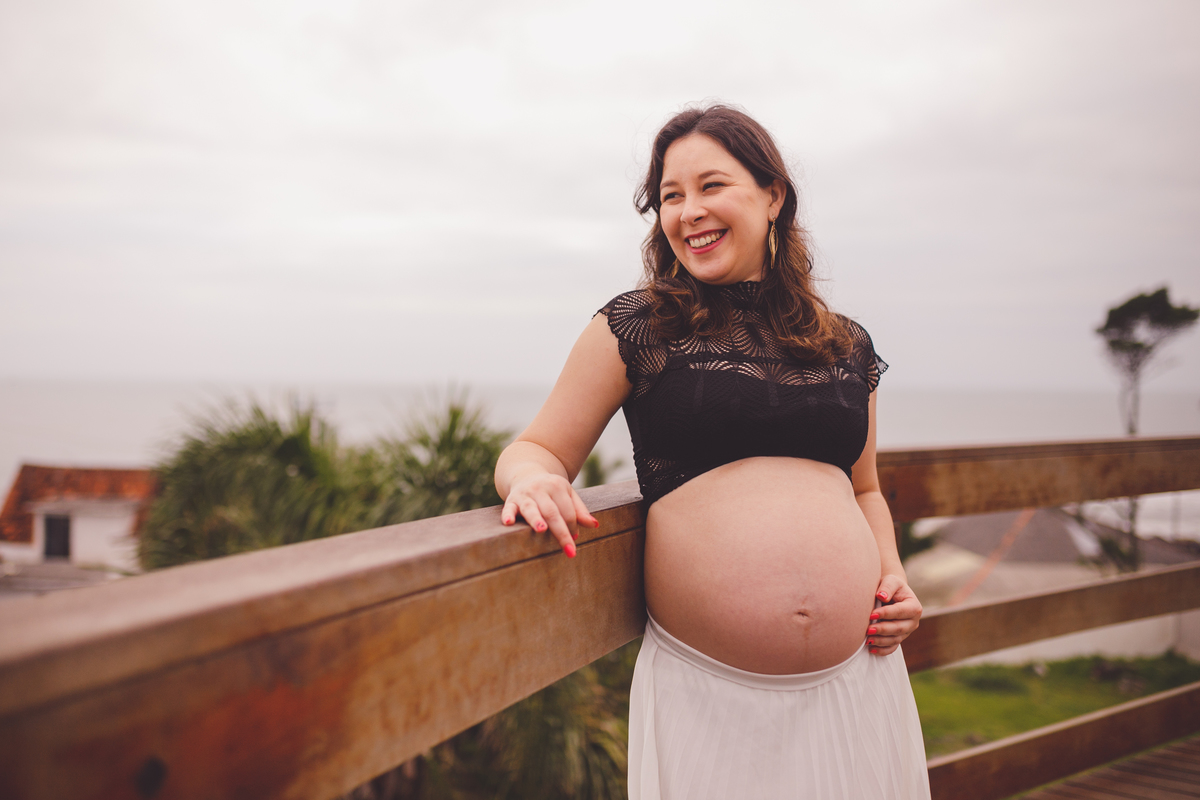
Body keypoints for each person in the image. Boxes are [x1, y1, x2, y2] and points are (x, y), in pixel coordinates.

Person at [494, 104, 930, 799]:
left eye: (711, 186)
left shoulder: (846, 343)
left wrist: (894, 577)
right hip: (709, 699)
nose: (689, 211)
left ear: (772, 195)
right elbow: (537, 447)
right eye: (671, 196)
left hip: (857, 686)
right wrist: (531, 480)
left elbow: (865, 489)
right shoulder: (636, 327)